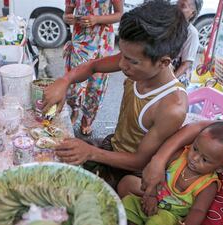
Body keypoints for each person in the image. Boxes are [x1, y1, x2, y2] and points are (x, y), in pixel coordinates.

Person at [43, 0, 189, 188]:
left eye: (131, 61)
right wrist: (64, 81)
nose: (121, 65)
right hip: (112, 146)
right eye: (122, 55)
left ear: (163, 62)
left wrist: (91, 152)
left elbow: (139, 161)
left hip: (131, 172)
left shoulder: (171, 107)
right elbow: (93, 65)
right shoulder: (138, 59)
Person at [121, 121, 223, 225]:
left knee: (158, 221)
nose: (194, 158)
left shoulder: (208, 185)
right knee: (126, 195)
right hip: (151, 199)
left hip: (170, 215)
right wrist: (151, 196)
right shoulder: (179, 156)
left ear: (221, 168)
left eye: (204, 159)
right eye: (195, 148)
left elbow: (198, 210)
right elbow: (156, 174)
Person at [63, 0, 123, 136]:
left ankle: (87, 120)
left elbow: (120, 15)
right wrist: (68, 18)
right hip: (79, 42)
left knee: (95, 87)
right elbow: (66, 14)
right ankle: (75, 111)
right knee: (73, 85)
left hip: (102, 42)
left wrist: (97, 19)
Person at [173, 0, 202, 87]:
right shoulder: (170, 25)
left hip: (176, 79)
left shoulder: (191, 33)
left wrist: (168, 82)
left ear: (192, 13)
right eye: (177, 3)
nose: (176, 7)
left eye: (183, 6)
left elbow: (186, 64)